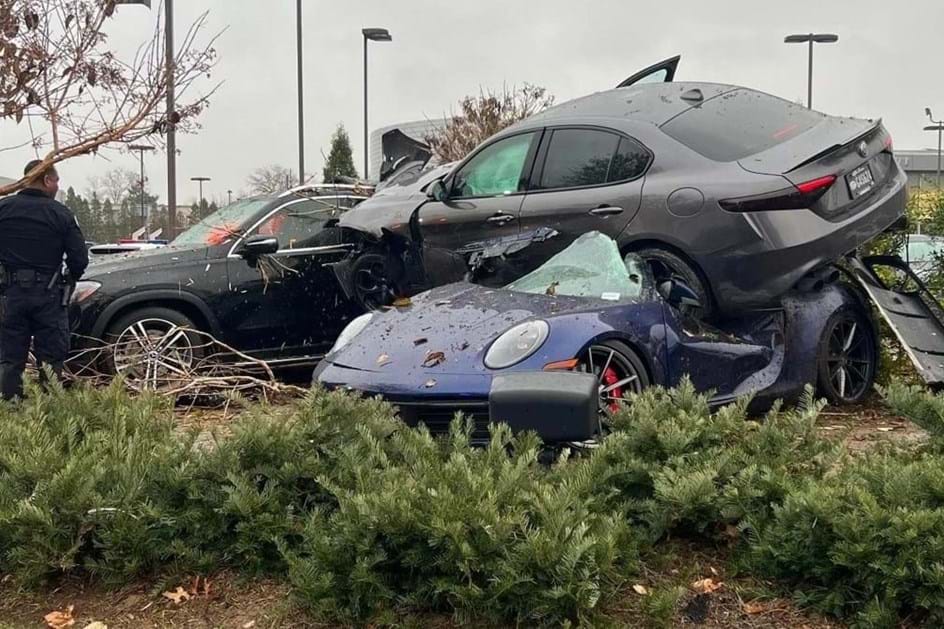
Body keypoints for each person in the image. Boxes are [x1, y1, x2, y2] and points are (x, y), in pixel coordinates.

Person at [0, 160, 88, 400]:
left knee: (10, 359)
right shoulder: (60, 213)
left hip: (12, 294)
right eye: (56, 181)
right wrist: (67, 282)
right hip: (48, 294)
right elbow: (79, 258)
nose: (58, 187)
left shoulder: (4, 209)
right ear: (47, 180)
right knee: (50, 360)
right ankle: (49, 415)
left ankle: (11, 412)